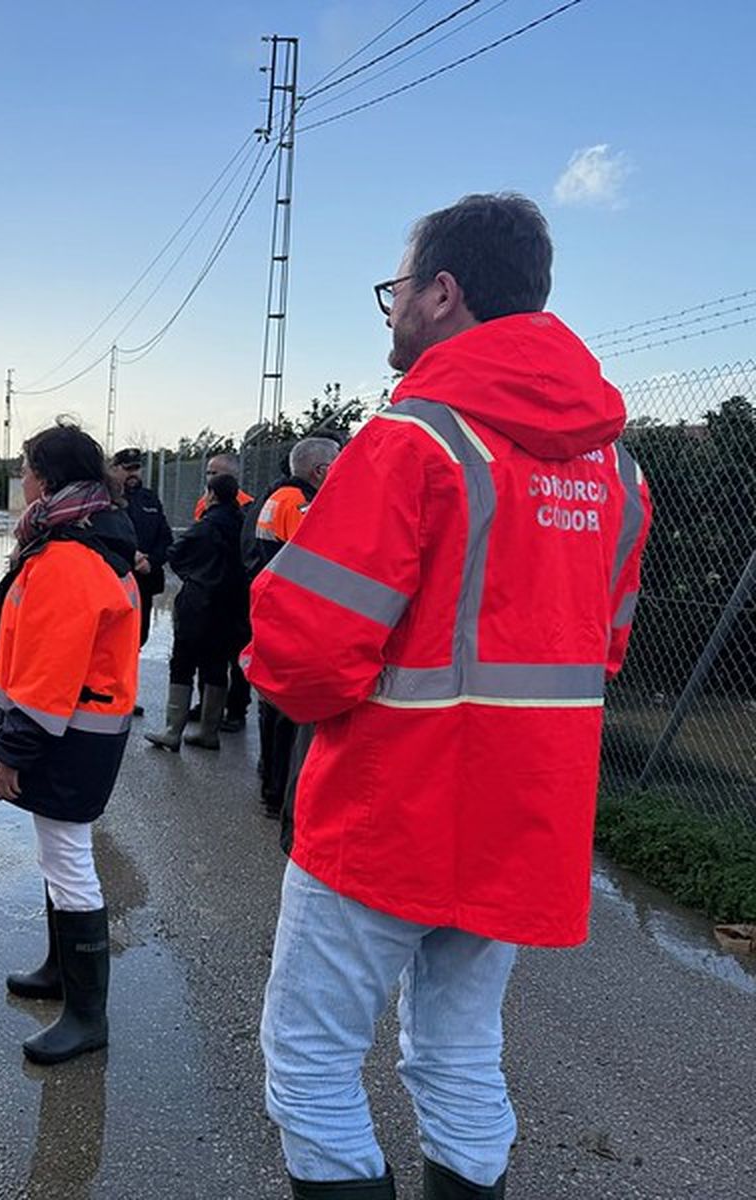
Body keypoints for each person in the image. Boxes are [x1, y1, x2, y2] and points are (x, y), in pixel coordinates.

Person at [245, 193, 652, 1200]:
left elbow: (299, 648)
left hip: (389, 809)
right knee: (459, 1054)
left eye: (397, 291)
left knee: (309, 1059)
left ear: (442, 290)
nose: (390, 313)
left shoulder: (411, 438)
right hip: (526, 816)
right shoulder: (620, 472)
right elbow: (603, 651)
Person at [0, 421, 139, 1066]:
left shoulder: (67, 557)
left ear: (46, 479)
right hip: (77, 728)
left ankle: (87, 1016)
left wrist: (13, 751)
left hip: (67, 733)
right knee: (59, 855)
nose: (21, 481)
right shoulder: (81, 541)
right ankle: (60, 970)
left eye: (25, 469)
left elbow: (50, 671)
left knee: (70, 861)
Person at [241, 437, 340, 819]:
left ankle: (270, 781)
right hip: (295, 621)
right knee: (287, 713)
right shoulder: (301, 506)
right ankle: (279, 793)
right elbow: (318, 564)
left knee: (272, 707)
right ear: (320, 471)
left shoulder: (276, 499)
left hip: (273, 614)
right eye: (335, 463)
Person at [145, 466, 249, 752]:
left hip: (199, 604)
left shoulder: (207, 525)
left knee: (182, 663)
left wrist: (194, 575)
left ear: (212, 495)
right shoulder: (243, 524)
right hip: (232, 606)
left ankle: (172, 730)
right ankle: (209, 731)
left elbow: (176, 554)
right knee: (217, 666)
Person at [108, 448, 172, 714]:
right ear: (114, 470)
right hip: (115, 581)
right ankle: (107, 693)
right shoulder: (105, 500)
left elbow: (165, 538)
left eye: (137, 468)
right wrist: (129, 557)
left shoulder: (149, 500)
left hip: (143, 583)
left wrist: (151, 562)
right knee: (112, 640)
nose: (133, 474)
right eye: (127, 468)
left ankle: (125, 694)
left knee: (136, 639)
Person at [198, 452, 253, 733]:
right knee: (207, 650)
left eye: (216, 474)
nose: (211, 479)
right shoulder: (203, 505)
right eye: (209, 473)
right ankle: (207, 704)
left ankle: (236, 708)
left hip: (237, 592)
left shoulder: (248, 508)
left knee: (237, 653)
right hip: (210, 591)